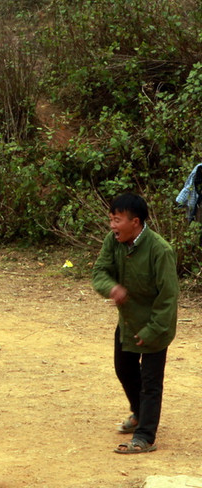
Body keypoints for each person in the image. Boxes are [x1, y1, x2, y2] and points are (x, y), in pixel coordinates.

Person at [92, 193, 178, 454]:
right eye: (111, 220)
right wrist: (111, 288)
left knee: (151, 382)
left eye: (117, 220)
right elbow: (100, 272)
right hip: (129, 322)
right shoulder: (113, 241)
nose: (112, 226)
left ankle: (144, 437)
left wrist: (152, 330)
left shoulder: (160, 250)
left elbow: (168, 298)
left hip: (156, 325)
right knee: (124, 369)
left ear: (135, 222)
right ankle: (140, 414)